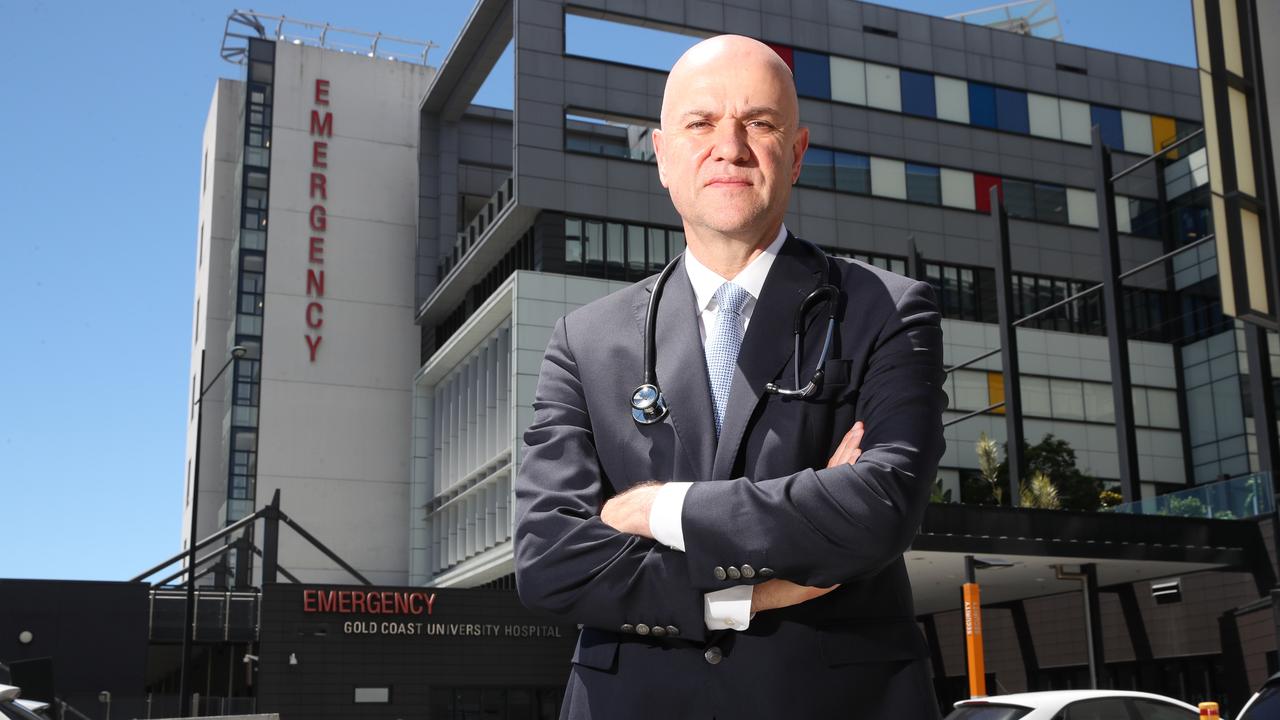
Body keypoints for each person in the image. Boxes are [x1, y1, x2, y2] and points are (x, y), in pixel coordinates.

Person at [514, 34, 947, 719]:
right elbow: (550, 561)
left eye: (759, 122)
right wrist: (743, 597)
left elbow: (879, 508)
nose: (731, 145)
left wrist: (661, 509)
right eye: (700, 122)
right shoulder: (585, 341)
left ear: (797, 153)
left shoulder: (886, 311)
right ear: (661, 155)